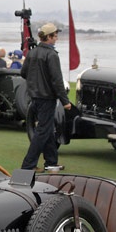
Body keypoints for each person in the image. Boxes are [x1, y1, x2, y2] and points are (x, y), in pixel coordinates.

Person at [21, 23, 72, 171]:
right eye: (55, 36)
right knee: (43, 131)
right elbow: (57, 80)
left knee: (47, 129)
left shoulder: (32, 53)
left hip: (34, 97)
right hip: (47, 98)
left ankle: (51, 162)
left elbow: (24, 73)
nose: (56, 38)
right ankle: (28, 165)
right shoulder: (51, 54)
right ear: (48, 37)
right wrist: (65, 101)